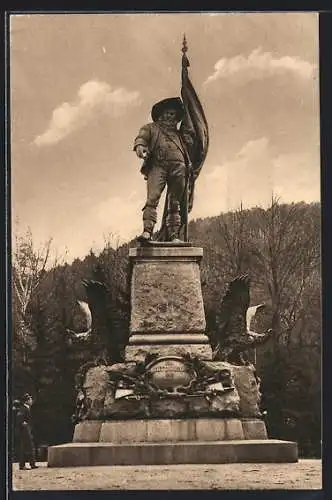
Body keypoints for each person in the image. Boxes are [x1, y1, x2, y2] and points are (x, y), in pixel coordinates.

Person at [134, 97, 195, 243]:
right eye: (167, 113)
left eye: (173, 114)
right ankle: (147, 231)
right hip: (158, 166)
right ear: (161, 114)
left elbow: (191, 141)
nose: (169, 116)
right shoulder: (151, 128)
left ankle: (174, 235)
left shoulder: (180, 135)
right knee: (152, 198)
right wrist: (140, 147)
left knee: (175, 203)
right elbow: (142, 137)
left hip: (179, 168)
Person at [16, 393, 38, 470]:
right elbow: (20, 419)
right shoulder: (23, 409)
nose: (31, 401)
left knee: (27, 447)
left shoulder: (27, 408)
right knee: (27, 447)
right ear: (26, 401)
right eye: (30, 399)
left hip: (27, 429)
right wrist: (24, 424)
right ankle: (27, 464)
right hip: (25, 430)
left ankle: (30, 464)